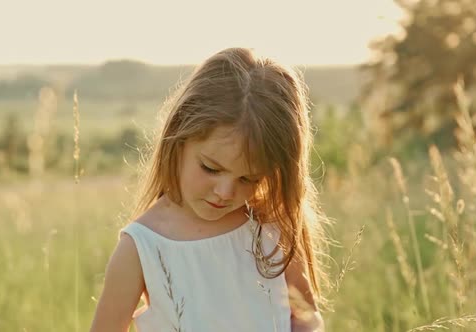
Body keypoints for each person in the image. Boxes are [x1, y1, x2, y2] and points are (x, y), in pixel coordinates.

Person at [90, 47, 329, 332]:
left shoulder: (271, 227)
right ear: (178, 139)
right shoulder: (142, 247)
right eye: (211, 168)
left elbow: (305, 317)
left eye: (248, 179)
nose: (225, 192)